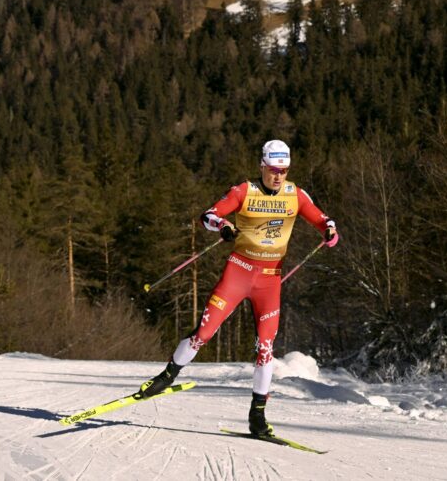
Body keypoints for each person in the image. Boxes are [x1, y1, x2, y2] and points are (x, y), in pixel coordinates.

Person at [138, 139, 339, 436]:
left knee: (266, 350)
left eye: (283, 170)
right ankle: (167, 375)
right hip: (239, 272)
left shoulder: (295, 194)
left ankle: (257, 416)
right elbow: (209, 214)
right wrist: (223, 226)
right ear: (262, 166)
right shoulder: (244, 191)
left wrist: (331, 231)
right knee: (203, 334)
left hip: (269, 281)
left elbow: (322, 219)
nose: (278, 176)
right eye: (273, 169)